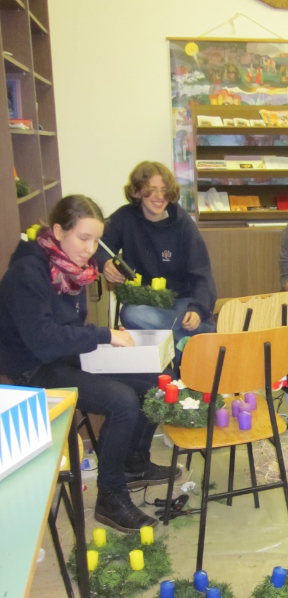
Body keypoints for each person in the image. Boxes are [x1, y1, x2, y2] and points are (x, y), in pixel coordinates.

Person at [0, 195, 180, 532]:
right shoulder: (28, 272)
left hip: (65, 356)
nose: (90, 249)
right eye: (83, 238)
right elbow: (44, 340)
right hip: (31, 368)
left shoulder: (72, 269)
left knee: (158, 379)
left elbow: (70, 330)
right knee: (122, 401)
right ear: (58, 231)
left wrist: (107, 339)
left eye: (96, 240)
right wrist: (104, 335)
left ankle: (134, 462)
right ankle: (111, 496)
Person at [95, 161, 217, 351]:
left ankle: (185, 339)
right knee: (130, 315)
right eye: (152, 190)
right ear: (137, 191)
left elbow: (203, 276)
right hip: (143, 306)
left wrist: (198, 309)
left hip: (182, 301)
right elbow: (95, 244)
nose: (159, 196)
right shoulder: (124, 218)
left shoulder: (183, 224)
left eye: (164, 190)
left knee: (184, 321)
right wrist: (105, 263)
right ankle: (200, 334)